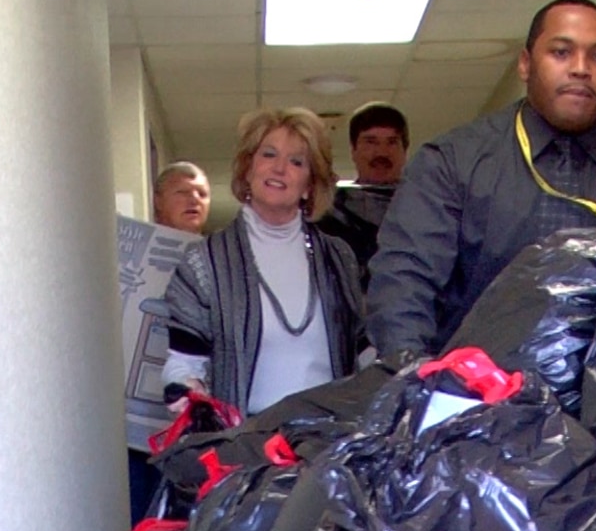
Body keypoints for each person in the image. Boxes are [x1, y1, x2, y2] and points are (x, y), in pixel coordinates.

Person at [365, 0, 596, 364]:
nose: (581, 69)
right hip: (481, 400)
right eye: (561, 52)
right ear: (525, 64)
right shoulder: (453, 161)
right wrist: (422, 386)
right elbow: (404, 285)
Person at [160, 108, 366, 415]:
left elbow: (363, 351)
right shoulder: (204, 264)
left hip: (329, 446)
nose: (280, 168)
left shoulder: (339, 258)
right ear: (247, 168)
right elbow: (183, 363)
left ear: (310, 184)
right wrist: (187, 393)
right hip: (245, 450)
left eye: (297, 161)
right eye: (268, 155)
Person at [315, 101, 408, 284]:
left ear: (405, 151)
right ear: (353, 150)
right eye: (371, 141)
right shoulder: (329, 214)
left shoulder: (428, 210)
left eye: (392, 142)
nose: (382, 152)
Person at [152, 161, 212, 236]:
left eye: (202, 194)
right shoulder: (136, 246)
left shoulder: (219, 246)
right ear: (158, 201)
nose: (195, 200)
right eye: (183, 192)